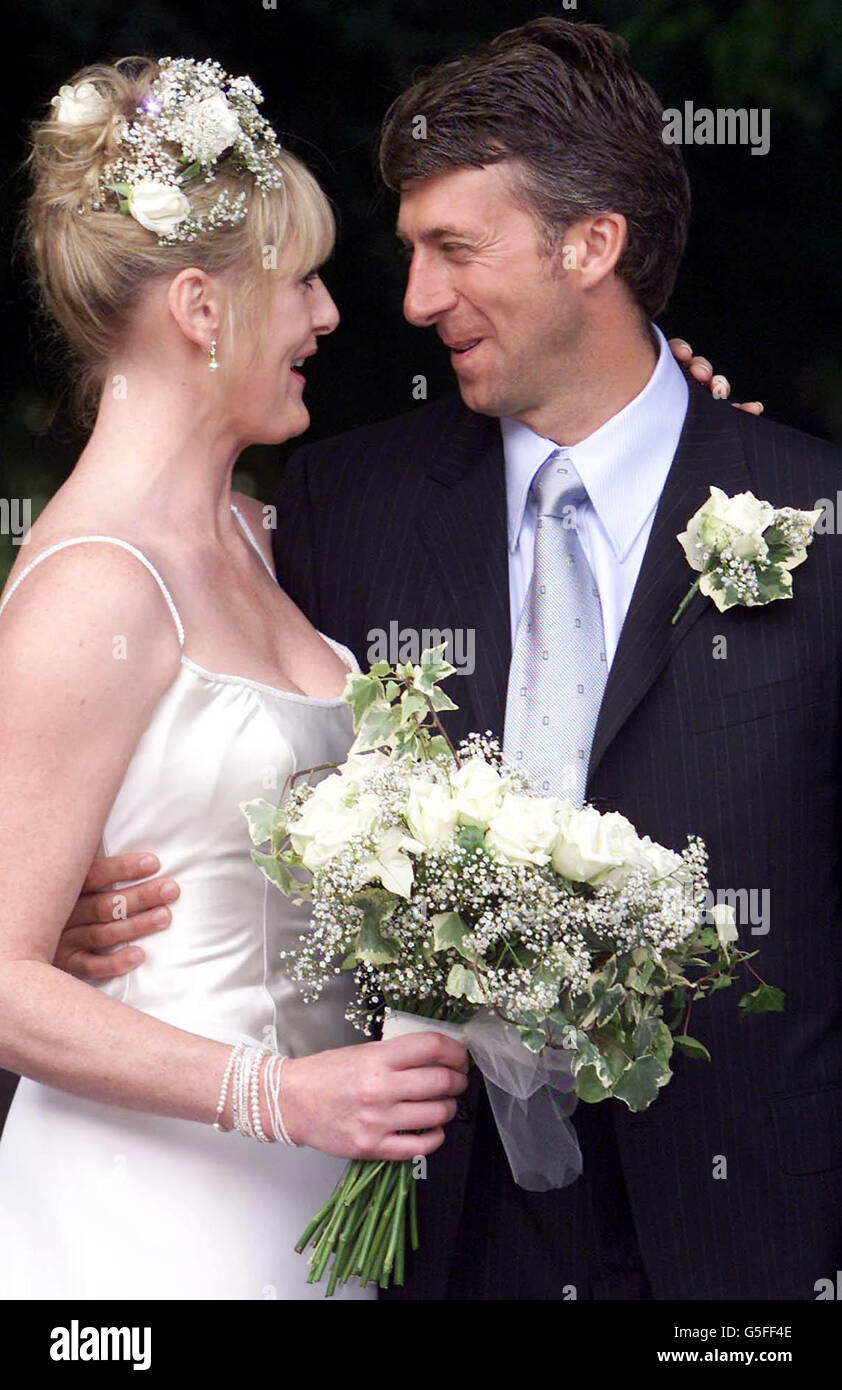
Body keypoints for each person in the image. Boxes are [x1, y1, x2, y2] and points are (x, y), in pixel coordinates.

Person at [58, 20, 822, 1302]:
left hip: (743, 1235)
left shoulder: (807, 517)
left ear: (591, 247)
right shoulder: (339, 508)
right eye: (408, 249)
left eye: (452, 249)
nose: (409, 300)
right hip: (417, 1219)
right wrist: (69, 904)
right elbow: (208, 745)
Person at [0, 55, 469, 1301]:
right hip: (146, 1222)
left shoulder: (267, 537)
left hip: (311, 1197)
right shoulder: (91, 591)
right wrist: (277, 1094)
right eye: (301, 282)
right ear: (202, 310)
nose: (326, 317)